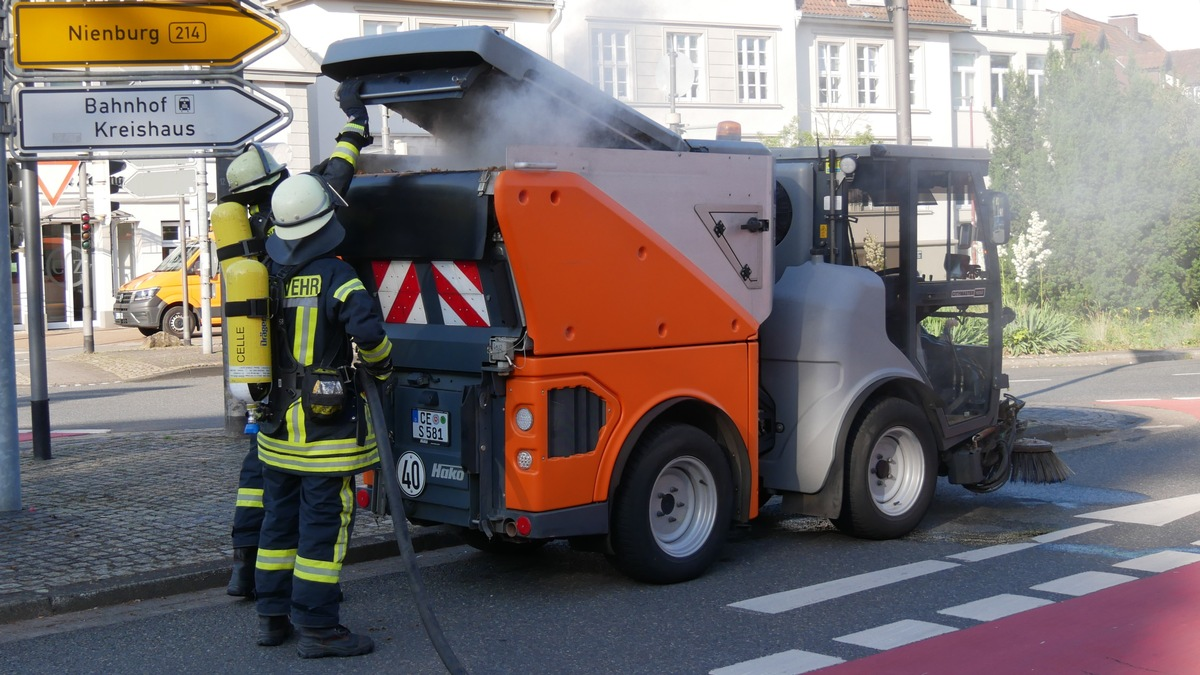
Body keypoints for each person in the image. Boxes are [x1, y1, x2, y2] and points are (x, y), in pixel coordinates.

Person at [222, 78, 374, 599]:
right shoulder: (299, 220)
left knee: (259, 482)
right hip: (314, 394)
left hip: (264, 380)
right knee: (311, 505)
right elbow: (340, 168)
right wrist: (354, 117)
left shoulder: (250, 243)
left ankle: (248, 574)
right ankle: (310, 603)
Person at [252, 169, 393, 659]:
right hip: (324, 431)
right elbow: (371, 338)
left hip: (273, 427)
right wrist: (385, 370)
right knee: (324, 525)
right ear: (323, 225)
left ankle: (272, 617)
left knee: (277, 523)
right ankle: (319, 627)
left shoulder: (264, 274)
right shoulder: (339, 276)